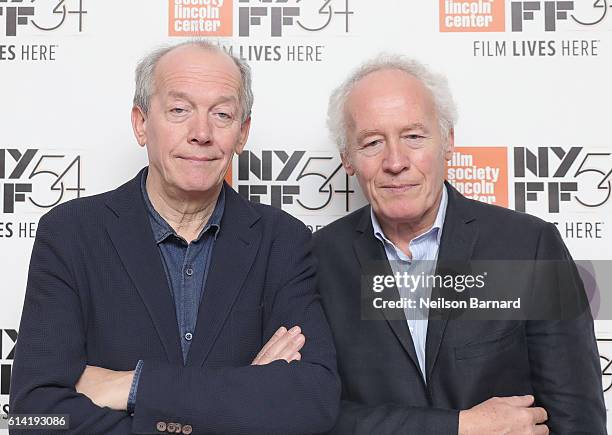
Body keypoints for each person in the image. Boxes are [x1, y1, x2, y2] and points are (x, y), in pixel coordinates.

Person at [10, 40, 340, 435]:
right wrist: (239, 400)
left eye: (222, 114)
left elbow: (311, 403)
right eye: (179, 110)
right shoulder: (71, 234)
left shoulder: (282, 240)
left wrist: (133, 386)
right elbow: (36, 416)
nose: (201, 133)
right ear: (141, 123)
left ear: (242, 133)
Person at [313, 54, 605, 434]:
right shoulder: (317, 260)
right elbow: (314, 415)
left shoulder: (527, 246)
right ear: (347, 158)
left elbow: (576, 417)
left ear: (448, 140)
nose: (396, 161)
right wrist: (459, 427)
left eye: (414, 136)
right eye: (371, 143)